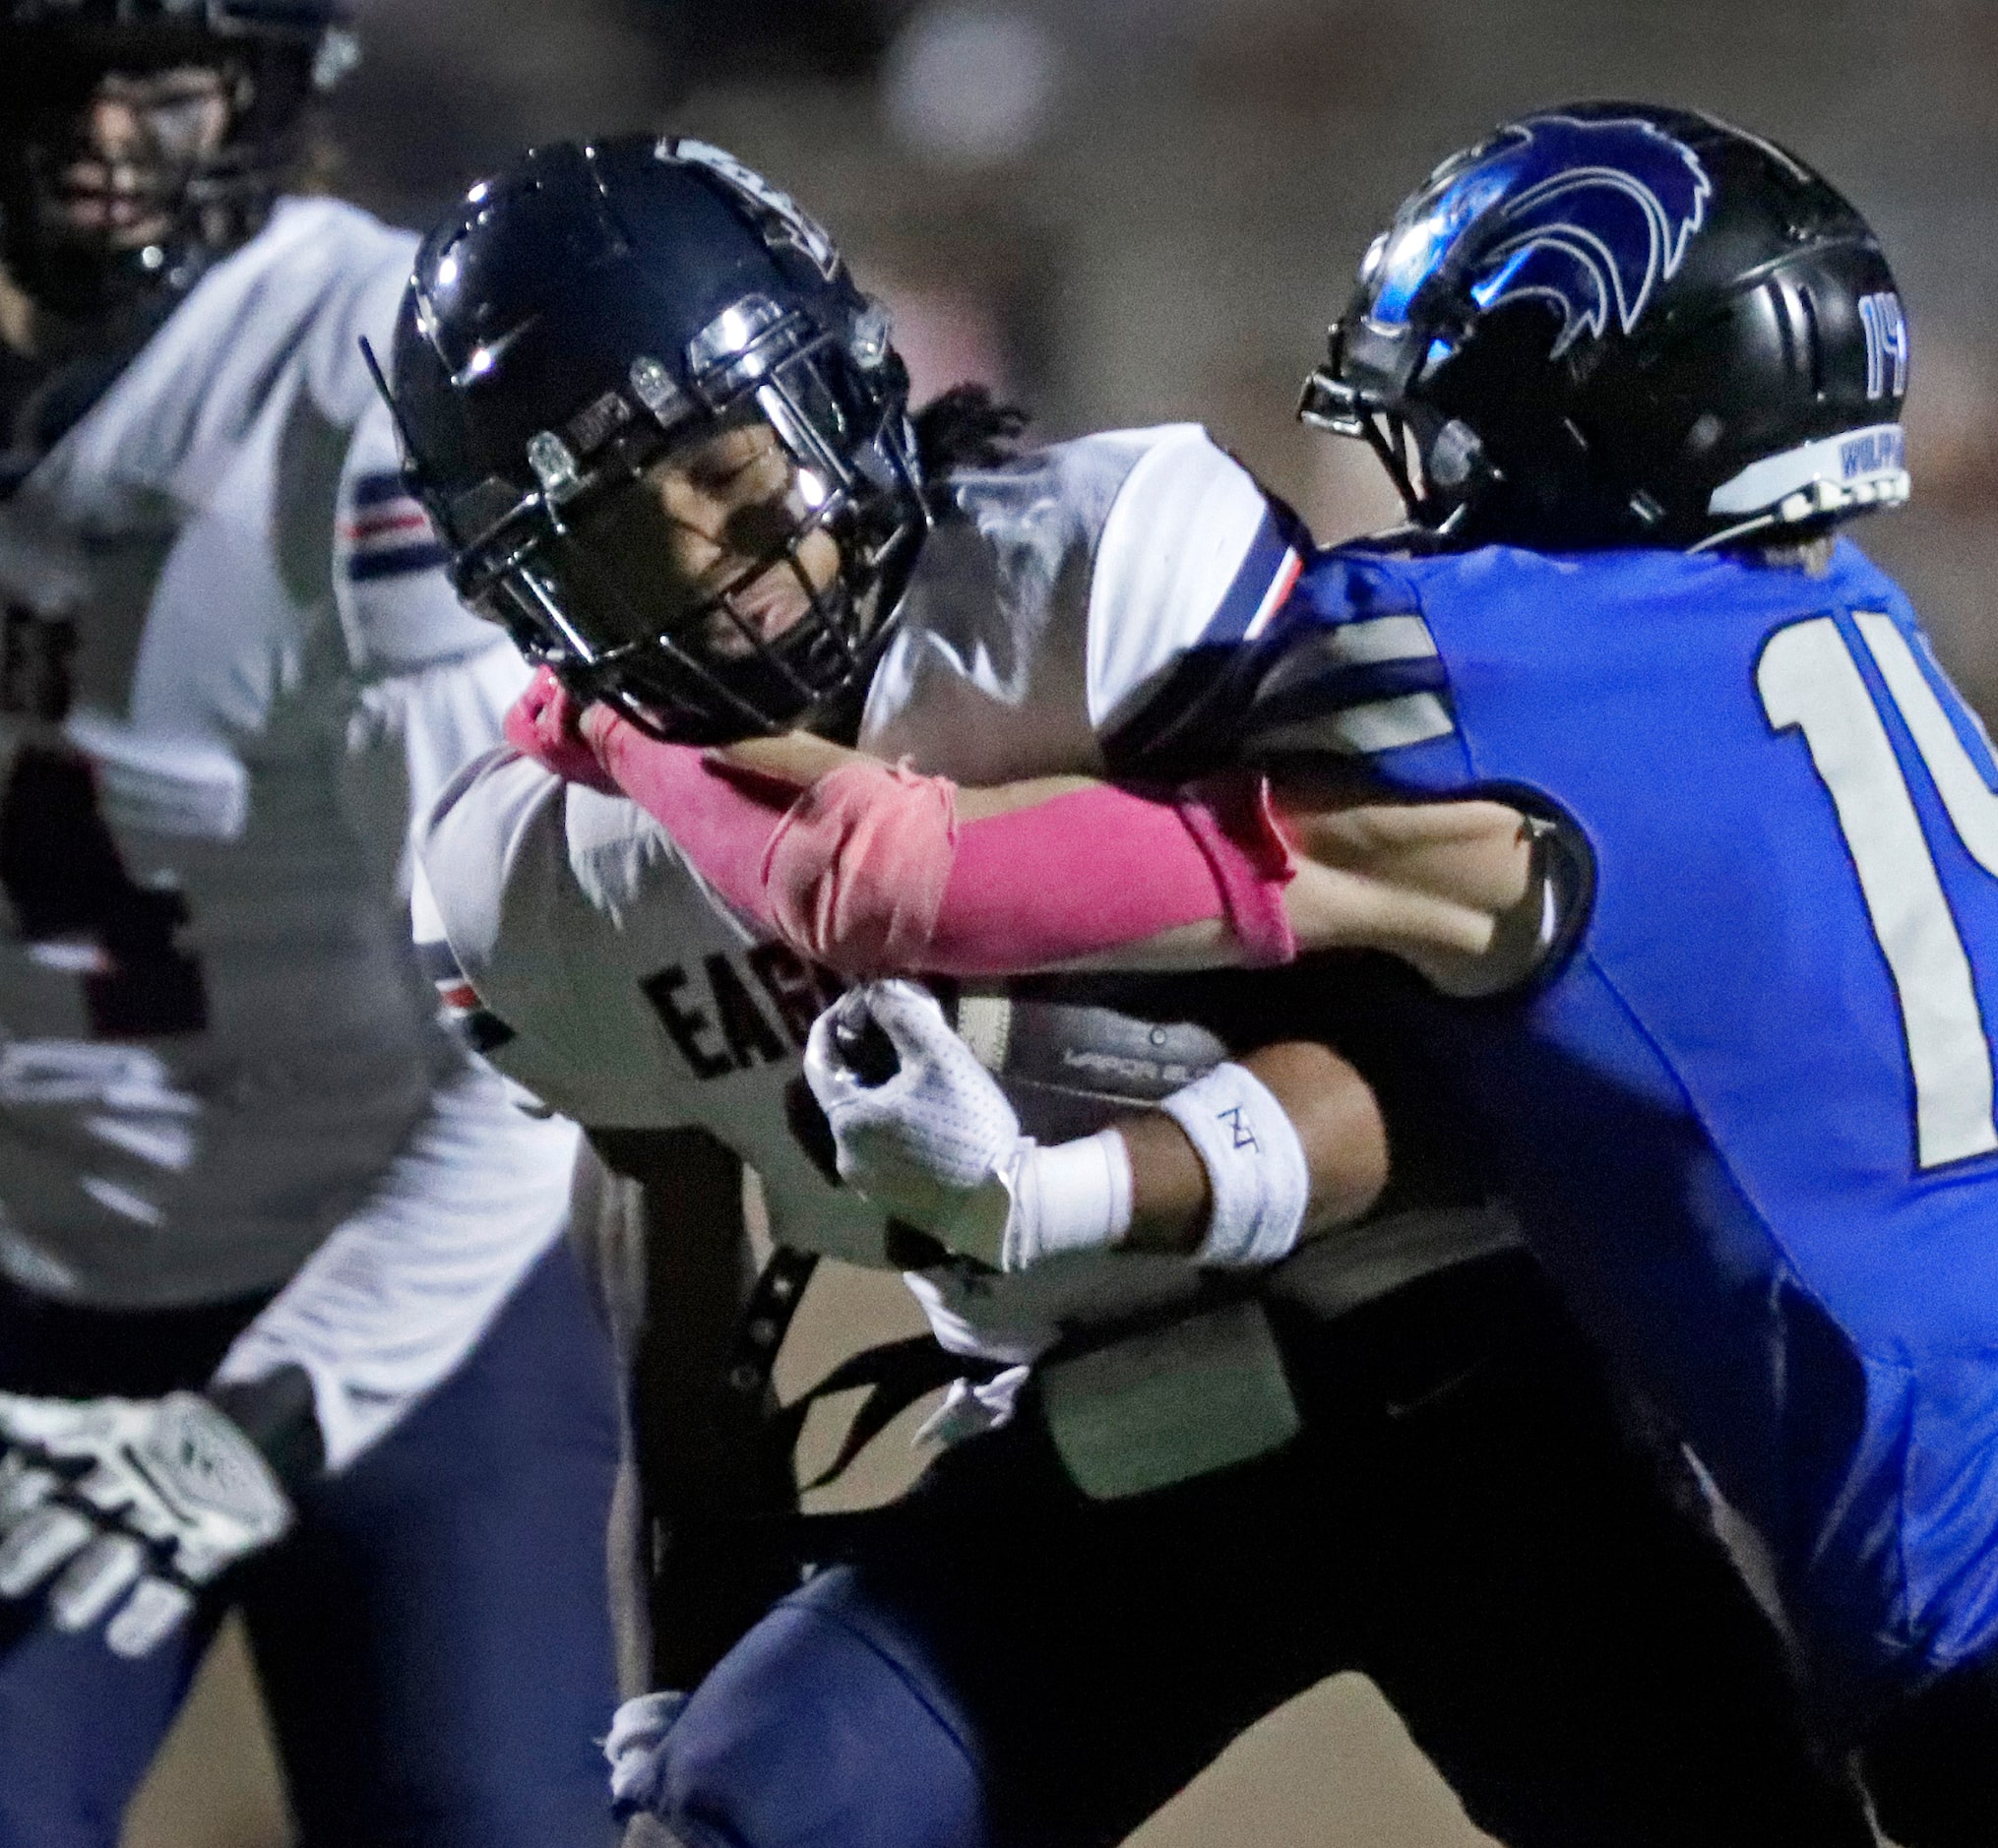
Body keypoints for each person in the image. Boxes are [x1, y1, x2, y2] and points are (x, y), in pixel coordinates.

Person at [535, 107, 1998, 1846]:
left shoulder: (1470, 683)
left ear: (1559, 394)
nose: (1409, 487)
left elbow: (885, 882)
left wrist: (622, 738)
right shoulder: (1858, 637)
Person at [399, 135, 1876, 1848]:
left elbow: (1452, 1085)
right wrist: (688, 1712)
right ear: (531, 596)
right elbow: (692, 1360)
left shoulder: (1093, 577)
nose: (722, 571)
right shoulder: (536, 874)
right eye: (617, 540)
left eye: (730, 471)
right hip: (1089, 1456)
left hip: (1455, 1380)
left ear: (841, 390)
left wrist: (1064, 1188)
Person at [0, 8, 622, 1843]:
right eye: (53, 63)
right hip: (46, 1292)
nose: (104, 126)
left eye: (162, 66)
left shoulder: (353, 383)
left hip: (413, 1305)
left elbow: (525, 1032)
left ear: (271, 85)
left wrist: (275, 1408)